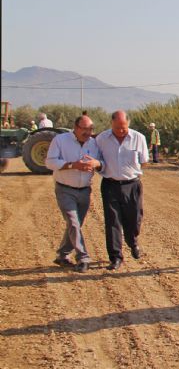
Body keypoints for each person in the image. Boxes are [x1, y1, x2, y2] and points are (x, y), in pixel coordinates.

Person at [45, 114, 103, 273]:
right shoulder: (60, 140)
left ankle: (62, 255)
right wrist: (73, 165)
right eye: (85, 129)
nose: (88, 132)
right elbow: (50, 162)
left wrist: (96, 163)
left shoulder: (94, 143)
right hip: (65, 189)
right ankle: (83, 257)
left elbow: (102, 163)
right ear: (76, 128)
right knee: (73, 222)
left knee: (75, 224)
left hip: (85, 190)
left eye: (91, 129)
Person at [96, 110, 149, 271]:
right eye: (117, 127)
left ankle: (132, 242)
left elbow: (144, 161)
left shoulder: (139, 138)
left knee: (134, 218)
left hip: (132, 185)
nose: (120, 130)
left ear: (128, 124)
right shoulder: (101, 139)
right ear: (111, 124)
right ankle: (115, 257)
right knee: (113, 221)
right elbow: (98, 160)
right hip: (110, 185)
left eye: (123, 127)